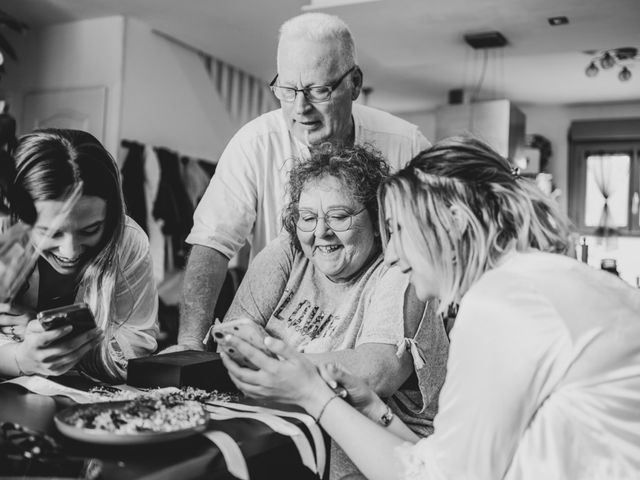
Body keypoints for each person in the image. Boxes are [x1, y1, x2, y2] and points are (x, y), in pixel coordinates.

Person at [219, 137, 640, 480]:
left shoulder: (505, 302)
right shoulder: (553, 280)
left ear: (454, 221)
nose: (396, 255)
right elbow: (440, 463)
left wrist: (310, 393)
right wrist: (375, 410)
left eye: (400, 230)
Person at [170, 12, 430, 352]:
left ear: (354, 83)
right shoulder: (255, 143)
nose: (300, 108)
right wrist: (190, 344)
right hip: (286, 324)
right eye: (287, 90)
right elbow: (212, 242)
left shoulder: (406, 144)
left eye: (318, 90)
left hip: (372, 331)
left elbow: (441, 242)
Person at [217, 143, 448, 479]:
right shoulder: (288, 251)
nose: (320, 232)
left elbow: (375, 371)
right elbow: (232, 337)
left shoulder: (400, 269)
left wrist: (267, 358)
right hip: (284, 436)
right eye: (307, 218)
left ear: (375, 220)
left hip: (388, 459)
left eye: (339, 216)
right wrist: (248, 348)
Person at [0, 129, 159, 382]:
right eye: (50, 232)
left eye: (90, 229)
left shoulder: (129, 241)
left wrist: (61, 341)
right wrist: (19, 357)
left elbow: (137, 340)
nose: (70, 251)